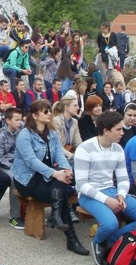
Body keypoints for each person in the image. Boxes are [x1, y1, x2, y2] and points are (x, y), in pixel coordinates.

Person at [74, 111, 136, 265]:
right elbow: (82, 185)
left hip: (112, 190)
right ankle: (97, 242)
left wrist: (122, 195)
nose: (122, 132)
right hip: (89, 194)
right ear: (106, 130)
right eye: (118, 129)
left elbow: (123, 178)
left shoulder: (118, 149)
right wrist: (107, 201)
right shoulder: (85, 149)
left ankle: (112, 242)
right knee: (110, 224)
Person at [12, 100, 89, 255]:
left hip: (47, 177)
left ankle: (56, 214)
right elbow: (31, 161)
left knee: (63, 180)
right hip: (28, 179)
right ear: (34, 115)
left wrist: (66, 171)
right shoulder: (24, 135)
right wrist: (56, 173)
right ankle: (71, 239)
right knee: (61, 192)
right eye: (45, 111)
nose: (49, 114)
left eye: (49, 111)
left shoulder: (52, 134)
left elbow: (60, 156)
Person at [0, 107, 25, 229]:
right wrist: (15, 167)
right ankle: (14, 217)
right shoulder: (0, 135)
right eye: (16, 120)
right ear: (8, 121)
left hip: (15, 162)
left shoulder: (20, 131)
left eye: (20, 119)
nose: (19, 122)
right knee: (15, 178)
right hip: (1, 165)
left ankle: (28, 211)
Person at [52, 97, 82, 162]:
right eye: (75, 105)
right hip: (58, 157)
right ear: (66, 107)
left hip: (69, 154)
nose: (78, 108)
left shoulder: (75, 121)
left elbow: (78, 143)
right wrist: (72, 156)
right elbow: (57, 146)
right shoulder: (56, 121)